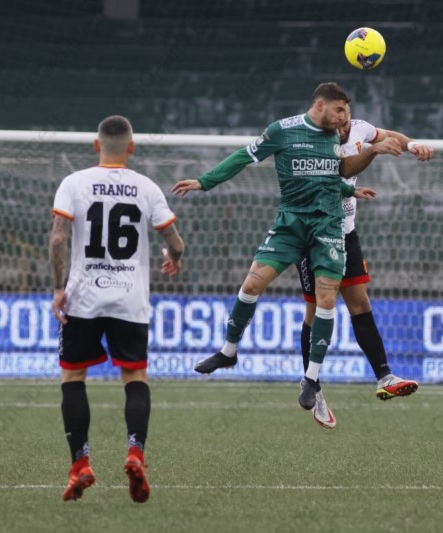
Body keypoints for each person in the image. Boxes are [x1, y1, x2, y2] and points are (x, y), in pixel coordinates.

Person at [171, 82, 401, 416]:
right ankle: (228, 351)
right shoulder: (282, 131)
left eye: (347, 112)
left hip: (328, 226)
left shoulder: (336, 137)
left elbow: (334, 173)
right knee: (251, 284)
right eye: (339, 110)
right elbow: (243, 157)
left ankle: (311, 379)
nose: (344, 118)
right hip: (290, 224)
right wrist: (205, 182)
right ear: (319, 105)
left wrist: (355, 182)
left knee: (326, 300)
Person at [50, 115, 184, 503]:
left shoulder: (73, 183)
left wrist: (58, 288)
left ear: (96, 145)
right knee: (135, 376)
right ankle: (135, 454)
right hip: (130, 298)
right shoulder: (146, 187)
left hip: (83, 296)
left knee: (73, 376)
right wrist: (173, 257)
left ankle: (80, 464)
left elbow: (58, 239)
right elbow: (175, 242)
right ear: (132, 147)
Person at [296, 112, 434, 429]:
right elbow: (335, 175)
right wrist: (371, 155)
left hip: (346, 234)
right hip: (315, 236)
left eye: (345, 116)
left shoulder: (359, 128)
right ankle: (313, 387)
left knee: (360, 303)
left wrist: (412, 144)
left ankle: (384, 376)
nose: (342, 124)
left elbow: (388, 135)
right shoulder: (314, 143)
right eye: (336, 118)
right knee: (316, 311)